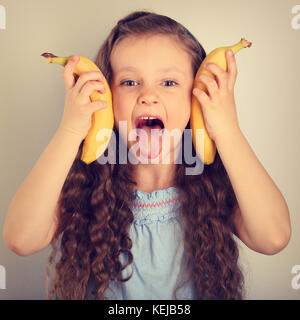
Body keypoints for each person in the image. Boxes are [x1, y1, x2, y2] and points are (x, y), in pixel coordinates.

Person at [3, 10, 291, 300]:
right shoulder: (88, 187)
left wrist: (228, 130)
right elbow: (21, 239)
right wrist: (70, 131)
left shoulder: (213, 187)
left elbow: (273, 237)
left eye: (169, 83)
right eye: (129, 82)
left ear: (196, 97)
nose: (148, 95)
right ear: (107, 99)